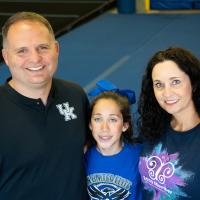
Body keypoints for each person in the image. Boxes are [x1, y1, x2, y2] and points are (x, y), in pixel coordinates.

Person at [0, 12, 89, 199]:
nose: (35, 58)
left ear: (56, 49)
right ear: (6, 57)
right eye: (22, 51)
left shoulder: (75, 95)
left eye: (42, 47)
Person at [137, 47, 200, 199]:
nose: (166, 93)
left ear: (194, 83)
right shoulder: (152, 127)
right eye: (159, 84)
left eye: (175, 82)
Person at [85, 80, 142, 200]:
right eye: (98, 119)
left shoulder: (140, 156)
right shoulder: (83, 157)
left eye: (113, 120)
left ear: (125, 125)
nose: (104, 128)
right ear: (90, 124)